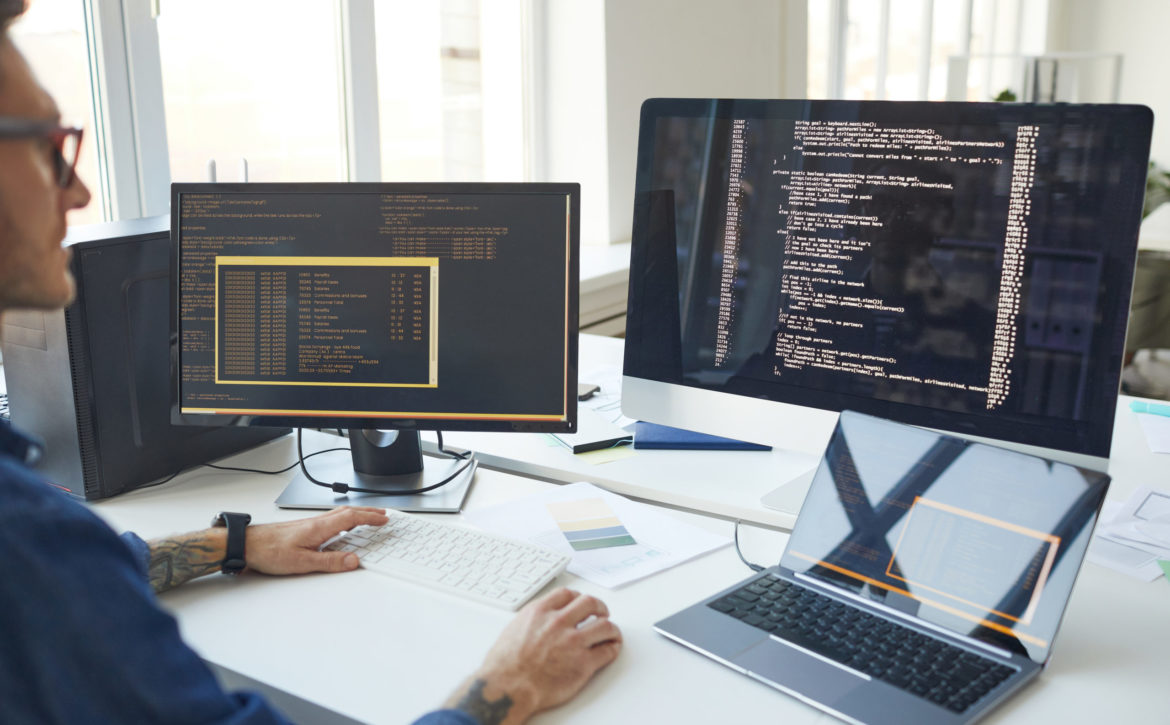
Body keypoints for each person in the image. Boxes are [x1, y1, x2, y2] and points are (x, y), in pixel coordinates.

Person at [0, 3, 621, 723]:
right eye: (48, 146)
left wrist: (227, 544)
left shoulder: (37, 544)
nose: (77, 191)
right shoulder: (28, 538)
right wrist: (508, 684)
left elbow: (63, 580)